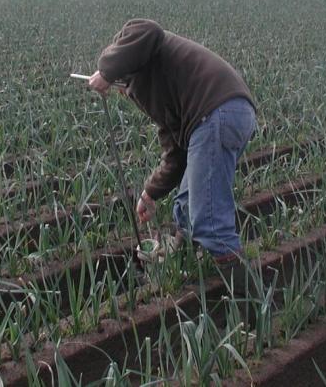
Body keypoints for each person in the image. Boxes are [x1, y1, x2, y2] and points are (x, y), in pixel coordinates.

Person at [88, 18, 256, 267]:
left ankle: (242, 294)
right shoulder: (159, 87)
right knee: (187, 204)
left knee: (209, 221)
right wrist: (150, 193)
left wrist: (105, 71)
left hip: (216, 114)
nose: (121, 93)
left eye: (119, 86)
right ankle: (189, 264)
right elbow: (177, 152)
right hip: (229, 115)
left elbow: (150, 29)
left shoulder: (146, 44)